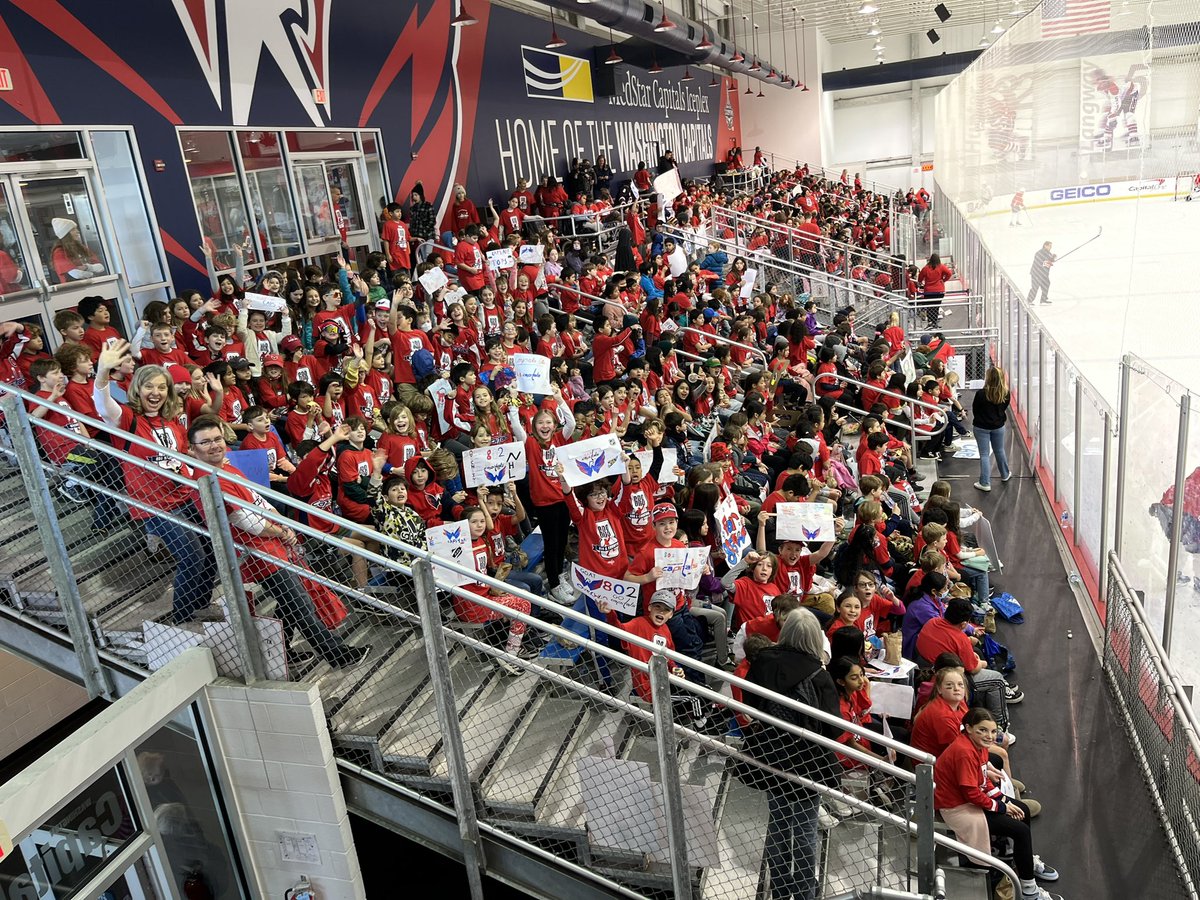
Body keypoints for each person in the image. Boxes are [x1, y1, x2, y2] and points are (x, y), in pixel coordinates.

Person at [187, 415, 371, 670]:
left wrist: (283, 525)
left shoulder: (226, 468)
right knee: (300, 604)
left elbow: (258, 501)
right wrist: (281, 531)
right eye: (205, 442)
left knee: (289, 603)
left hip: (271, 546)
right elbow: (245, 521)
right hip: (257, 552)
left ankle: (280, 652)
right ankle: (338, 656)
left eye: (217, 439)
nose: (215, 445)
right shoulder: (207, 478)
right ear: (192, 449)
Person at [92, 341, 221, 624]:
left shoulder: (172, 421)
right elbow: (103, 404)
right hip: (155, 504)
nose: (156, 392)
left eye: (162, 387)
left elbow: (178, 455)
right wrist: (102, 371)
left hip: (185, 495)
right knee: (191, 554)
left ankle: (199, 603)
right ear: (138, 388)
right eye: (149, 386)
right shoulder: (128, 419)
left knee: (212, 547)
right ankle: (183, 614)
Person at [745, 608, 842, 900]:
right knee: (805, 828)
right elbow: (833, 728)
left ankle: (780, 888)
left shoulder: (763, 661)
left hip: (771, 754)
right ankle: (804, 891)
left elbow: (750, 700)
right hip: (807, 762)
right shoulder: (819, 675)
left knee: (777, 823)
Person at [934, 709, 1061, 900]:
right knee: (1021, 831)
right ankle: (1029, 890)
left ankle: (1023, 861)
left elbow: (982, 781)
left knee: (1023, 810)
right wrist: (1001, 806)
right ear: (968, 728)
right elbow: (971, 792)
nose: (989, 736)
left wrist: (1002, 799)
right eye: (983, 730)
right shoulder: (964, 752)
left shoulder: (978, 746)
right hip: (957, 808)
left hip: (969, 799)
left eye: (993, 732)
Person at [972, 366, 1012, 492]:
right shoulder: (1005, 393)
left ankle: (985, 482)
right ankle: (1005, 474)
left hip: (981, 427)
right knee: (999, 450)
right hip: (998, 426)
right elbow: (1004, 408)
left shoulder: (981, 394)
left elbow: (975, 410)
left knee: (984, 454)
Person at [916, 253, 953, 329]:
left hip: (928, 291)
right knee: (936, 307)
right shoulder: (941, 267)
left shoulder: (926, 268)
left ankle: (930, 322)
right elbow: (949, 273)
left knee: (929, 307)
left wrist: (922, 282)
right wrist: (943, 280)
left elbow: (919, 278)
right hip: (939, 291)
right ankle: (934, 323)